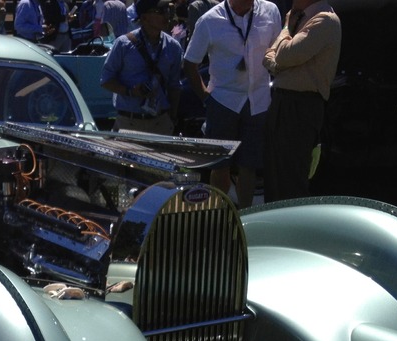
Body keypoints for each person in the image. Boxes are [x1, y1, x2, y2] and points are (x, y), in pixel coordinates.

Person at [184, 0, 280, 207]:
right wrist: (206, 97)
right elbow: (190, 62)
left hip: (259, 101)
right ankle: (218, 213)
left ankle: (245, 214)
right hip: (223, 101)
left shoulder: (270, 11)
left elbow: (277, 50)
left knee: (249, 166)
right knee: (220, 165)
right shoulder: (209, 20)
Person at [261, 0, 339, 201]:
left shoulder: (324, 20)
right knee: (274, 175)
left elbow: (284, 55)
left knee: (291, 178)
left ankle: (292, 219)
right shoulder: (301, 18)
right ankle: (275, 219)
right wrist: (281, 60)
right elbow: (269, 58)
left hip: (301, 106)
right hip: (283, 101)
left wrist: (287, 28)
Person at [99, 0, 182, 135]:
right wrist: (131, 91)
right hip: (128, 123)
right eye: (160, 11)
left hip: (161, 123)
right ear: (144, 18)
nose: (166, 15)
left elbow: (174, 87)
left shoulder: (174, 47)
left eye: (167, 10)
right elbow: (106, 80)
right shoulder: (123, 44)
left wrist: (172, 118)